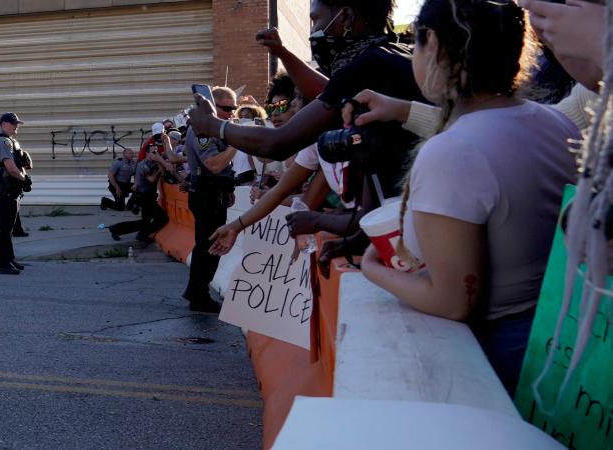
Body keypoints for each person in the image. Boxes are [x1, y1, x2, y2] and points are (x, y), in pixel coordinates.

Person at [355, 0, 579, 395]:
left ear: (436, 46)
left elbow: (453, 301)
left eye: (417, 45)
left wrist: (373, 268)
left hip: (497, 359)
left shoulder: (453, 152)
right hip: (558, 341)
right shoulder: (554, 122)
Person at [189, 0, 426, 262]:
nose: (314, 30)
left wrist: (213, 126)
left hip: (414, 236)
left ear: (345, 15)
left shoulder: (366, 67)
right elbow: (329, 90)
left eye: (316, 20)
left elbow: (277, 145)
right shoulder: (392, 55)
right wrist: (283, 53)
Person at [181, 86, 239, 313]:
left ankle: (197, 291)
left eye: (233, 108)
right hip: (207, 192)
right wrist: (236, 143)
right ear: (213, 107)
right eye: (226, 108)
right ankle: (198, 295)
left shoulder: (215, 130)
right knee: (208, 246)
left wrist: (228, 188)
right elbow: (214, 164)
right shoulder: (202, 131)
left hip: (215, 191)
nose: (231, 113)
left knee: (208, 246)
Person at [0, 113, 29, 275]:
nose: (16, 125)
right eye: (13, 123)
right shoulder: (2, 142)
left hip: (11, 190)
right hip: (5, 190)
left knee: (8, 228)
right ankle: (3, 263)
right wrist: (23, 179)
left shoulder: (10, 141)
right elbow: (10, 167)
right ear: (3, 124)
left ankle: (9, 259)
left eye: (17, 123)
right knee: (4, 229)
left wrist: (24, 177)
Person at [108, 157, 167, 243]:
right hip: (145, 197)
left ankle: (118, 229)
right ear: (147, 153)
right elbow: (152, 179)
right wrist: (160, 166)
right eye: (153, 152)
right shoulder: (144, 165)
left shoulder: (150, 163)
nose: (156, 154)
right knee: (162, 218)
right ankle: (139, 233)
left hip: (148, 196)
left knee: (146, 221)